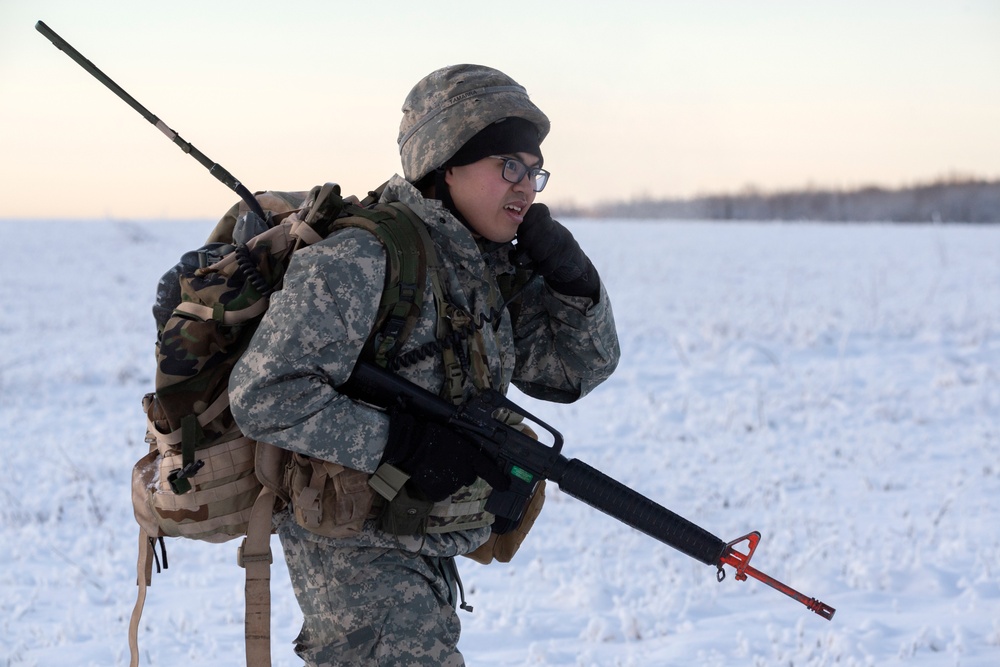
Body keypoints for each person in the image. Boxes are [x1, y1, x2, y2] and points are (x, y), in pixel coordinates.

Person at [229, 63, 620, 666]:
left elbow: (573, 372)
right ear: (445, 166)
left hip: (422, 538)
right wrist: (400, 441)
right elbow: (264, 394)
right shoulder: (363, 257)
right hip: (354, 553)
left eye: (533, 169)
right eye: (507, 167)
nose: (526, 187)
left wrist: (577, 286)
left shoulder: (481, 267)